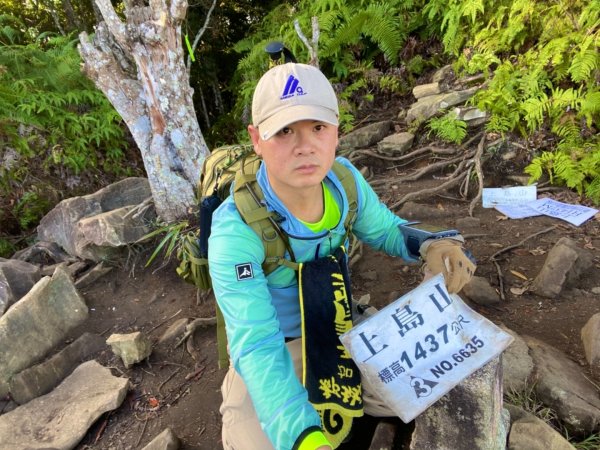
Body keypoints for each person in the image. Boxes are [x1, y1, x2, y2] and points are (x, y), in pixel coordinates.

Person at [208, 63, 476, 450]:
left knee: (436, 376)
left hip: (339, 327)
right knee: (262, 441)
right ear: (256, 138)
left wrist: (431, 244)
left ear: (336, 130)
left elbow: (385, 229)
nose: (305, 146)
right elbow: (256, 343)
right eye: (284, 131)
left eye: (318, 127)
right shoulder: (236, 231)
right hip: (280, 345)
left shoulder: (344, 181)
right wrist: (301, 438)